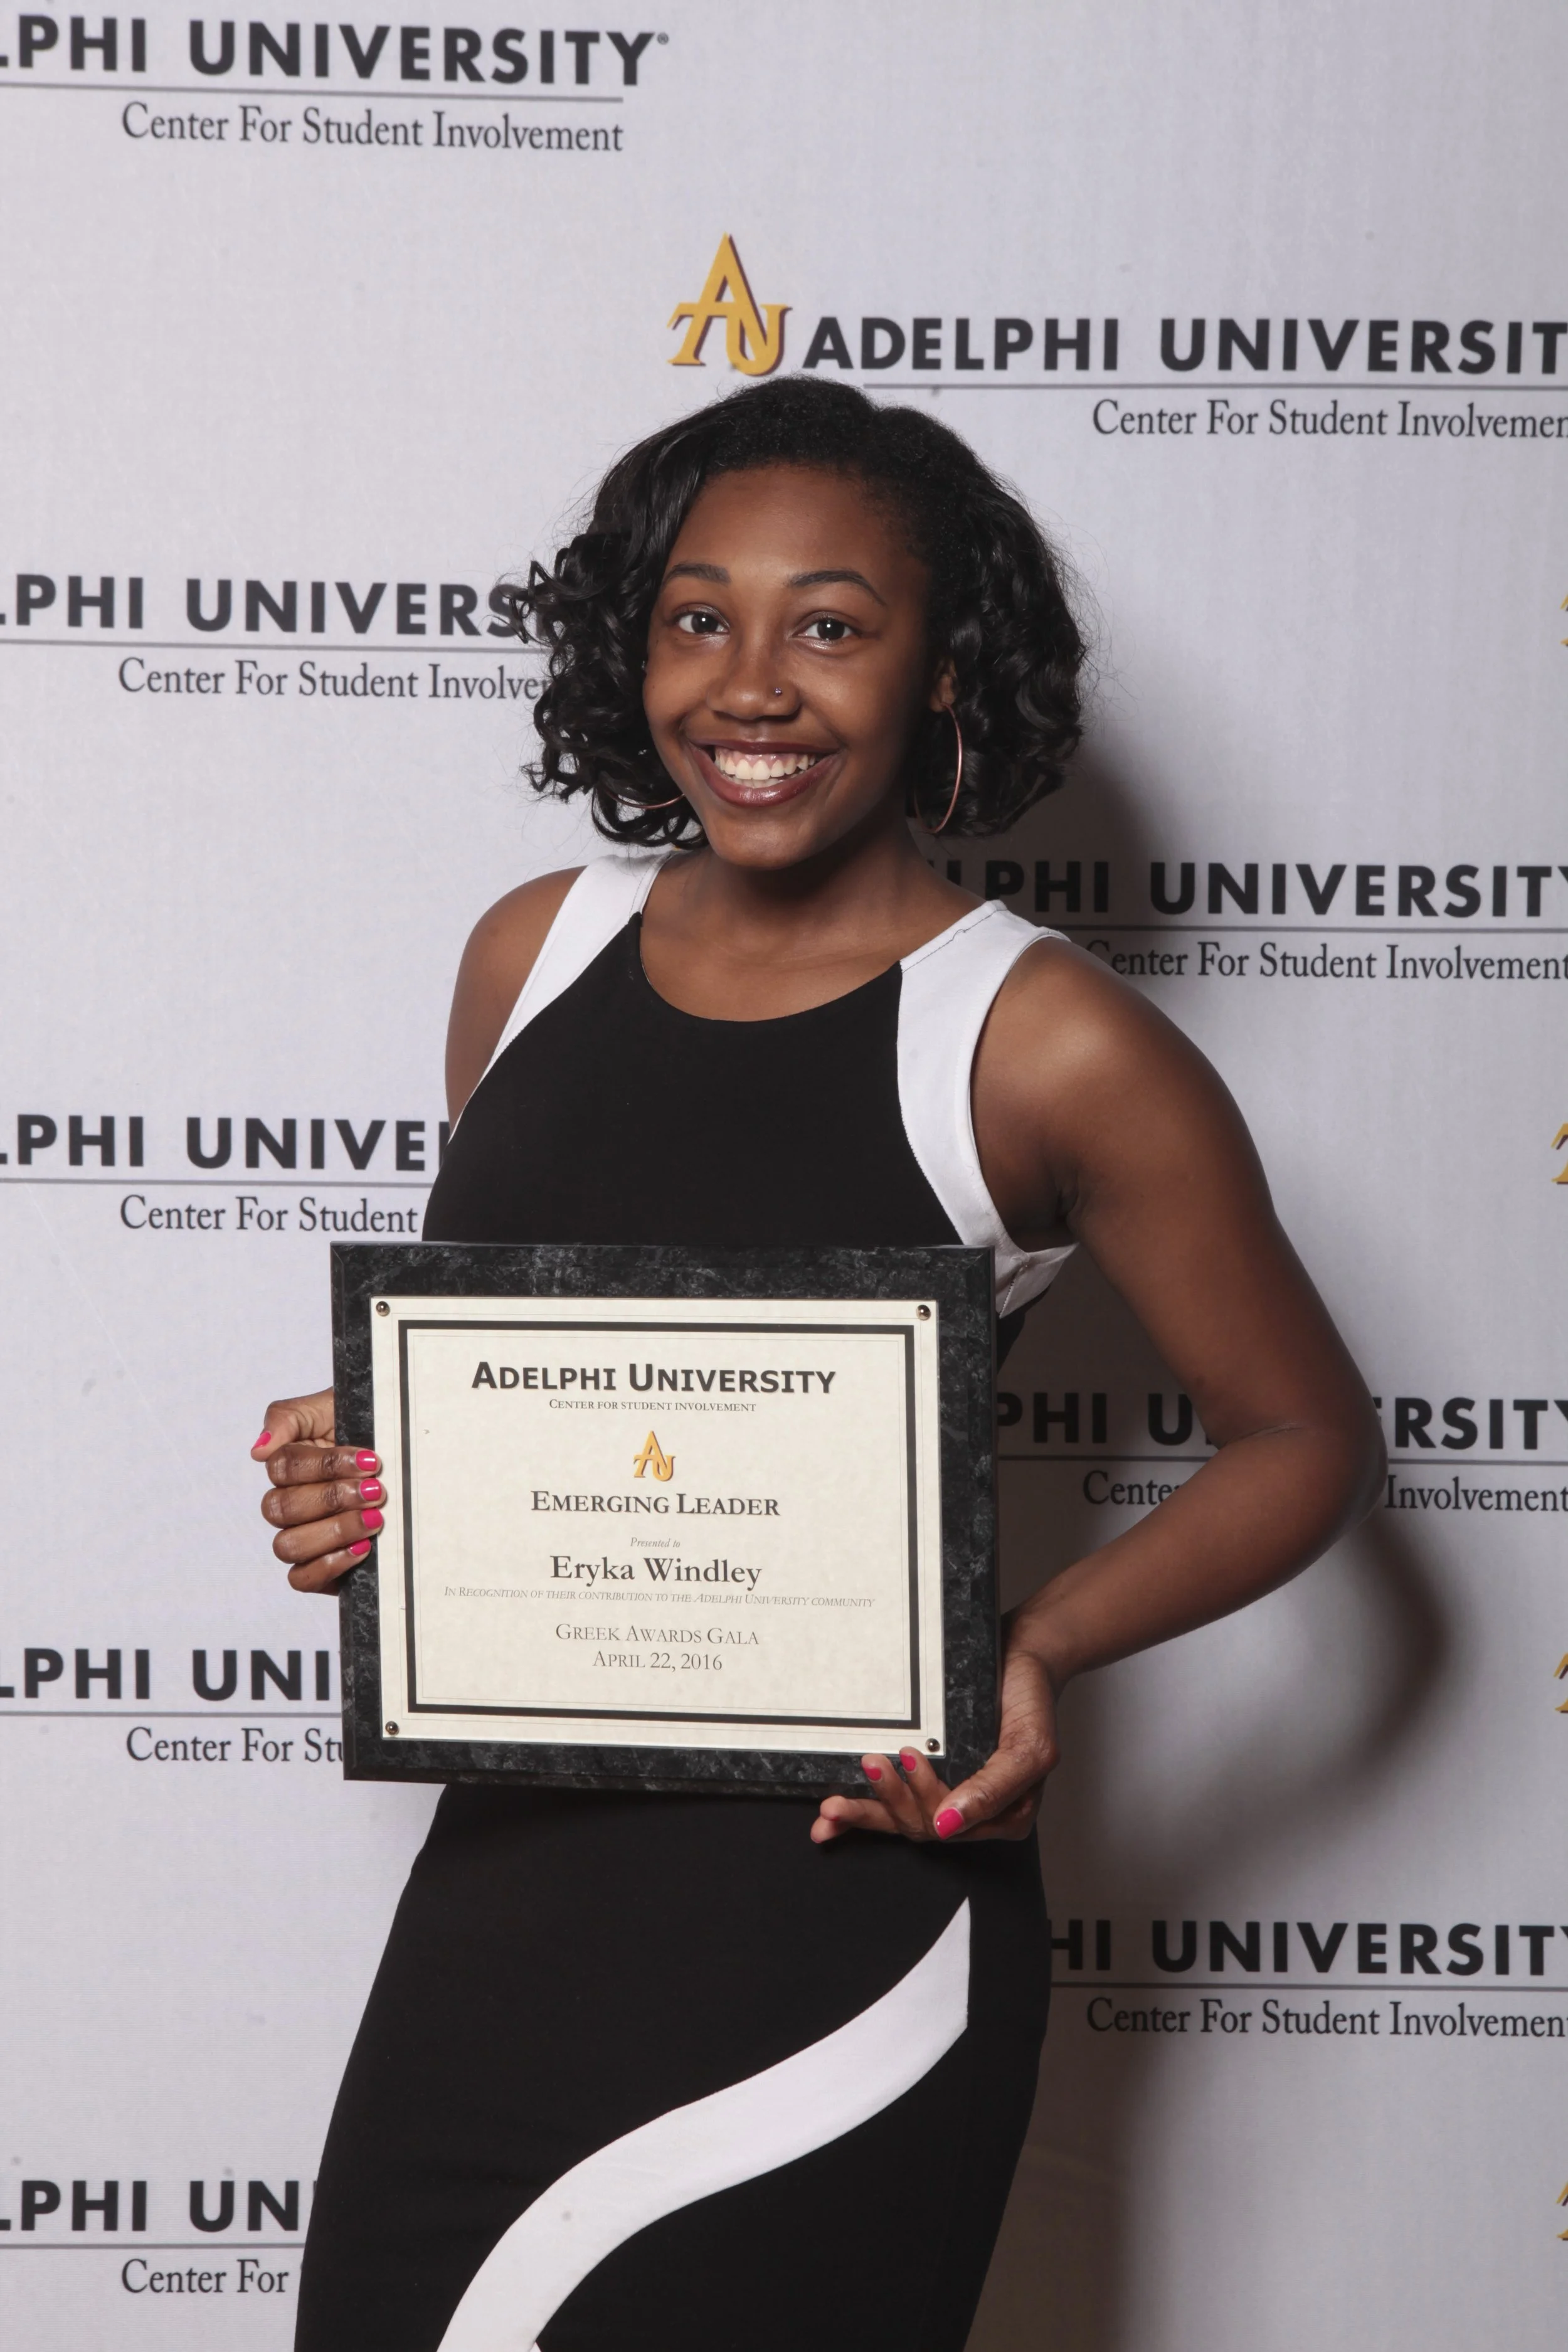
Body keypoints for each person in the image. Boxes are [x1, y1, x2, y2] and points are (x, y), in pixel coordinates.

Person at [253, 378, 1383, 2352]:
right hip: (500, 1915)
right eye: (699, 617)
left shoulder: (1039, 1042)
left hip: (837, 1917)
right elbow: (522, 1390)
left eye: (830, 624)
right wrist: (363, 1461)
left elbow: (1300, 1436)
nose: (750, 685)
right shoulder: (530, 952)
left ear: (946, 670)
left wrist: (1027, 1651)